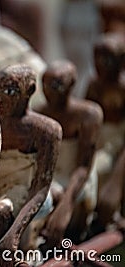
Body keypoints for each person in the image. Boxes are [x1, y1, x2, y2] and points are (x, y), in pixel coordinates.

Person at [0, 64, 62, 266]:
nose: (1, 98)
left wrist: (13, 233)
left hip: (24, 192)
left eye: (10, 92)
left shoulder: (45, 130)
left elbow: (40, 188)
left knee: (3, 211)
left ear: (29, 91)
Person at [36, 60, 103, 248]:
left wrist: (65, 206)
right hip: (50, 179)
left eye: (57, 85)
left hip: (76, 180)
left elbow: (83, 167)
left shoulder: (88, 114)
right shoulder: (39, 112)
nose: (51, 91)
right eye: (46, 85)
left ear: (72, 84)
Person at [86, 33, 125, 228]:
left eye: (107, 59)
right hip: (98, 132)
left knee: (100, 167)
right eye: (98, 57)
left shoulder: (122, 88)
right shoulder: (94, 85)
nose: (101, 64)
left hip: (116, 138)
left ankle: (107, 209)